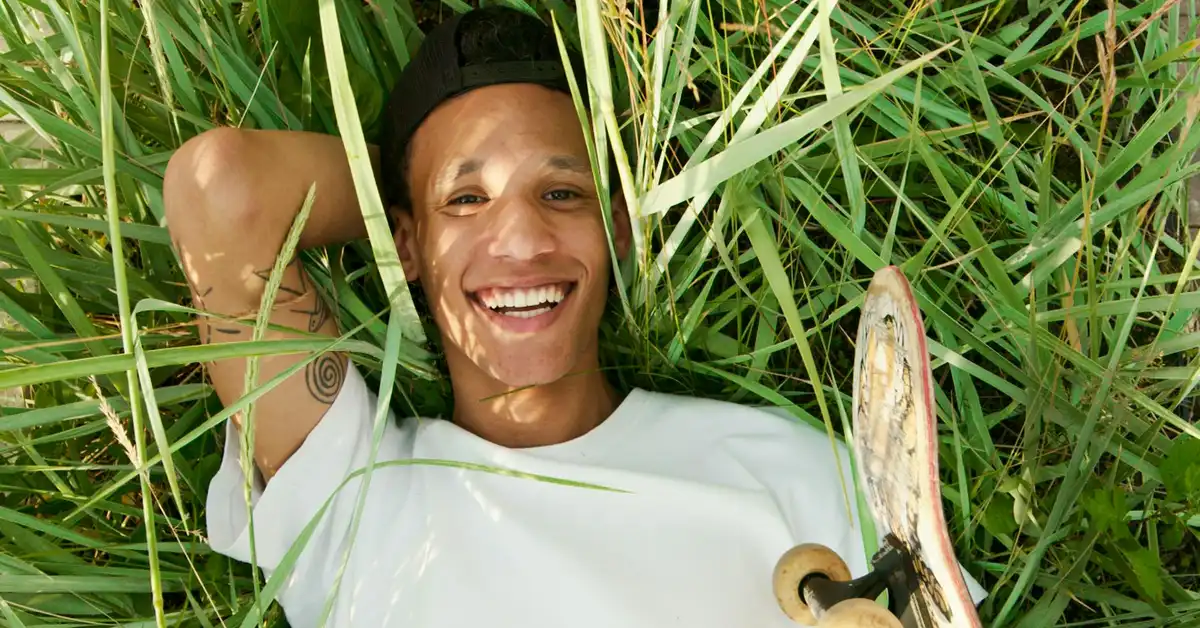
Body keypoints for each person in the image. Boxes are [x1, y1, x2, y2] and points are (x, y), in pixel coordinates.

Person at [164, 6, 983, 627]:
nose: (519, 237)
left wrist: (442, 199)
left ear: (619, 226)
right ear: (403, 242)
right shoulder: (353, 495)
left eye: (562, 193)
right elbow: (222, 188)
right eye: (467, 201)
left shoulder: (786, 465)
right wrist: (406, 184)